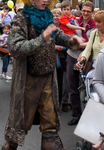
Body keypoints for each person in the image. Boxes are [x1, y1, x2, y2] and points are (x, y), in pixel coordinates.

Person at [1, 0, 83, 149]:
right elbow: (14, 47)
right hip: (28, 80)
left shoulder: (47, 16)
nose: (46, 0)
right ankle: (9, 146)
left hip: (47, 79)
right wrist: (41, 39)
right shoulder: (21, 18)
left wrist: (71, 40)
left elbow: (57, 33)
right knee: (20, 124)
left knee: (50, 126)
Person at [67, 1, 96, 126]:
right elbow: (69, 37)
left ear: (92, 12)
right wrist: (77, 44)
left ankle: (88, 117)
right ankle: (76, 115)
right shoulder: (74, 22)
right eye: (84, 10)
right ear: (81, 9)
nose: (85, 13)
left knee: (89, 89)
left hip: (88, 59)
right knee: (73, 88)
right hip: (72, 56)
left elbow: (93, 43)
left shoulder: (95, 25)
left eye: (88, 11)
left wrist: (79, 44)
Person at [52, 8, 69, 112]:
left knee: (65, 81)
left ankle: (64, 101)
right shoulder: (48, 27)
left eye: (58, 15)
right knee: (55, 81)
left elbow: (69, 43)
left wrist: (62, 48)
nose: (55, 17)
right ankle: (55, 103)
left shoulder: (65, 27)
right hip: (52, 57)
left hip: (63, 56)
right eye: (54, 15)